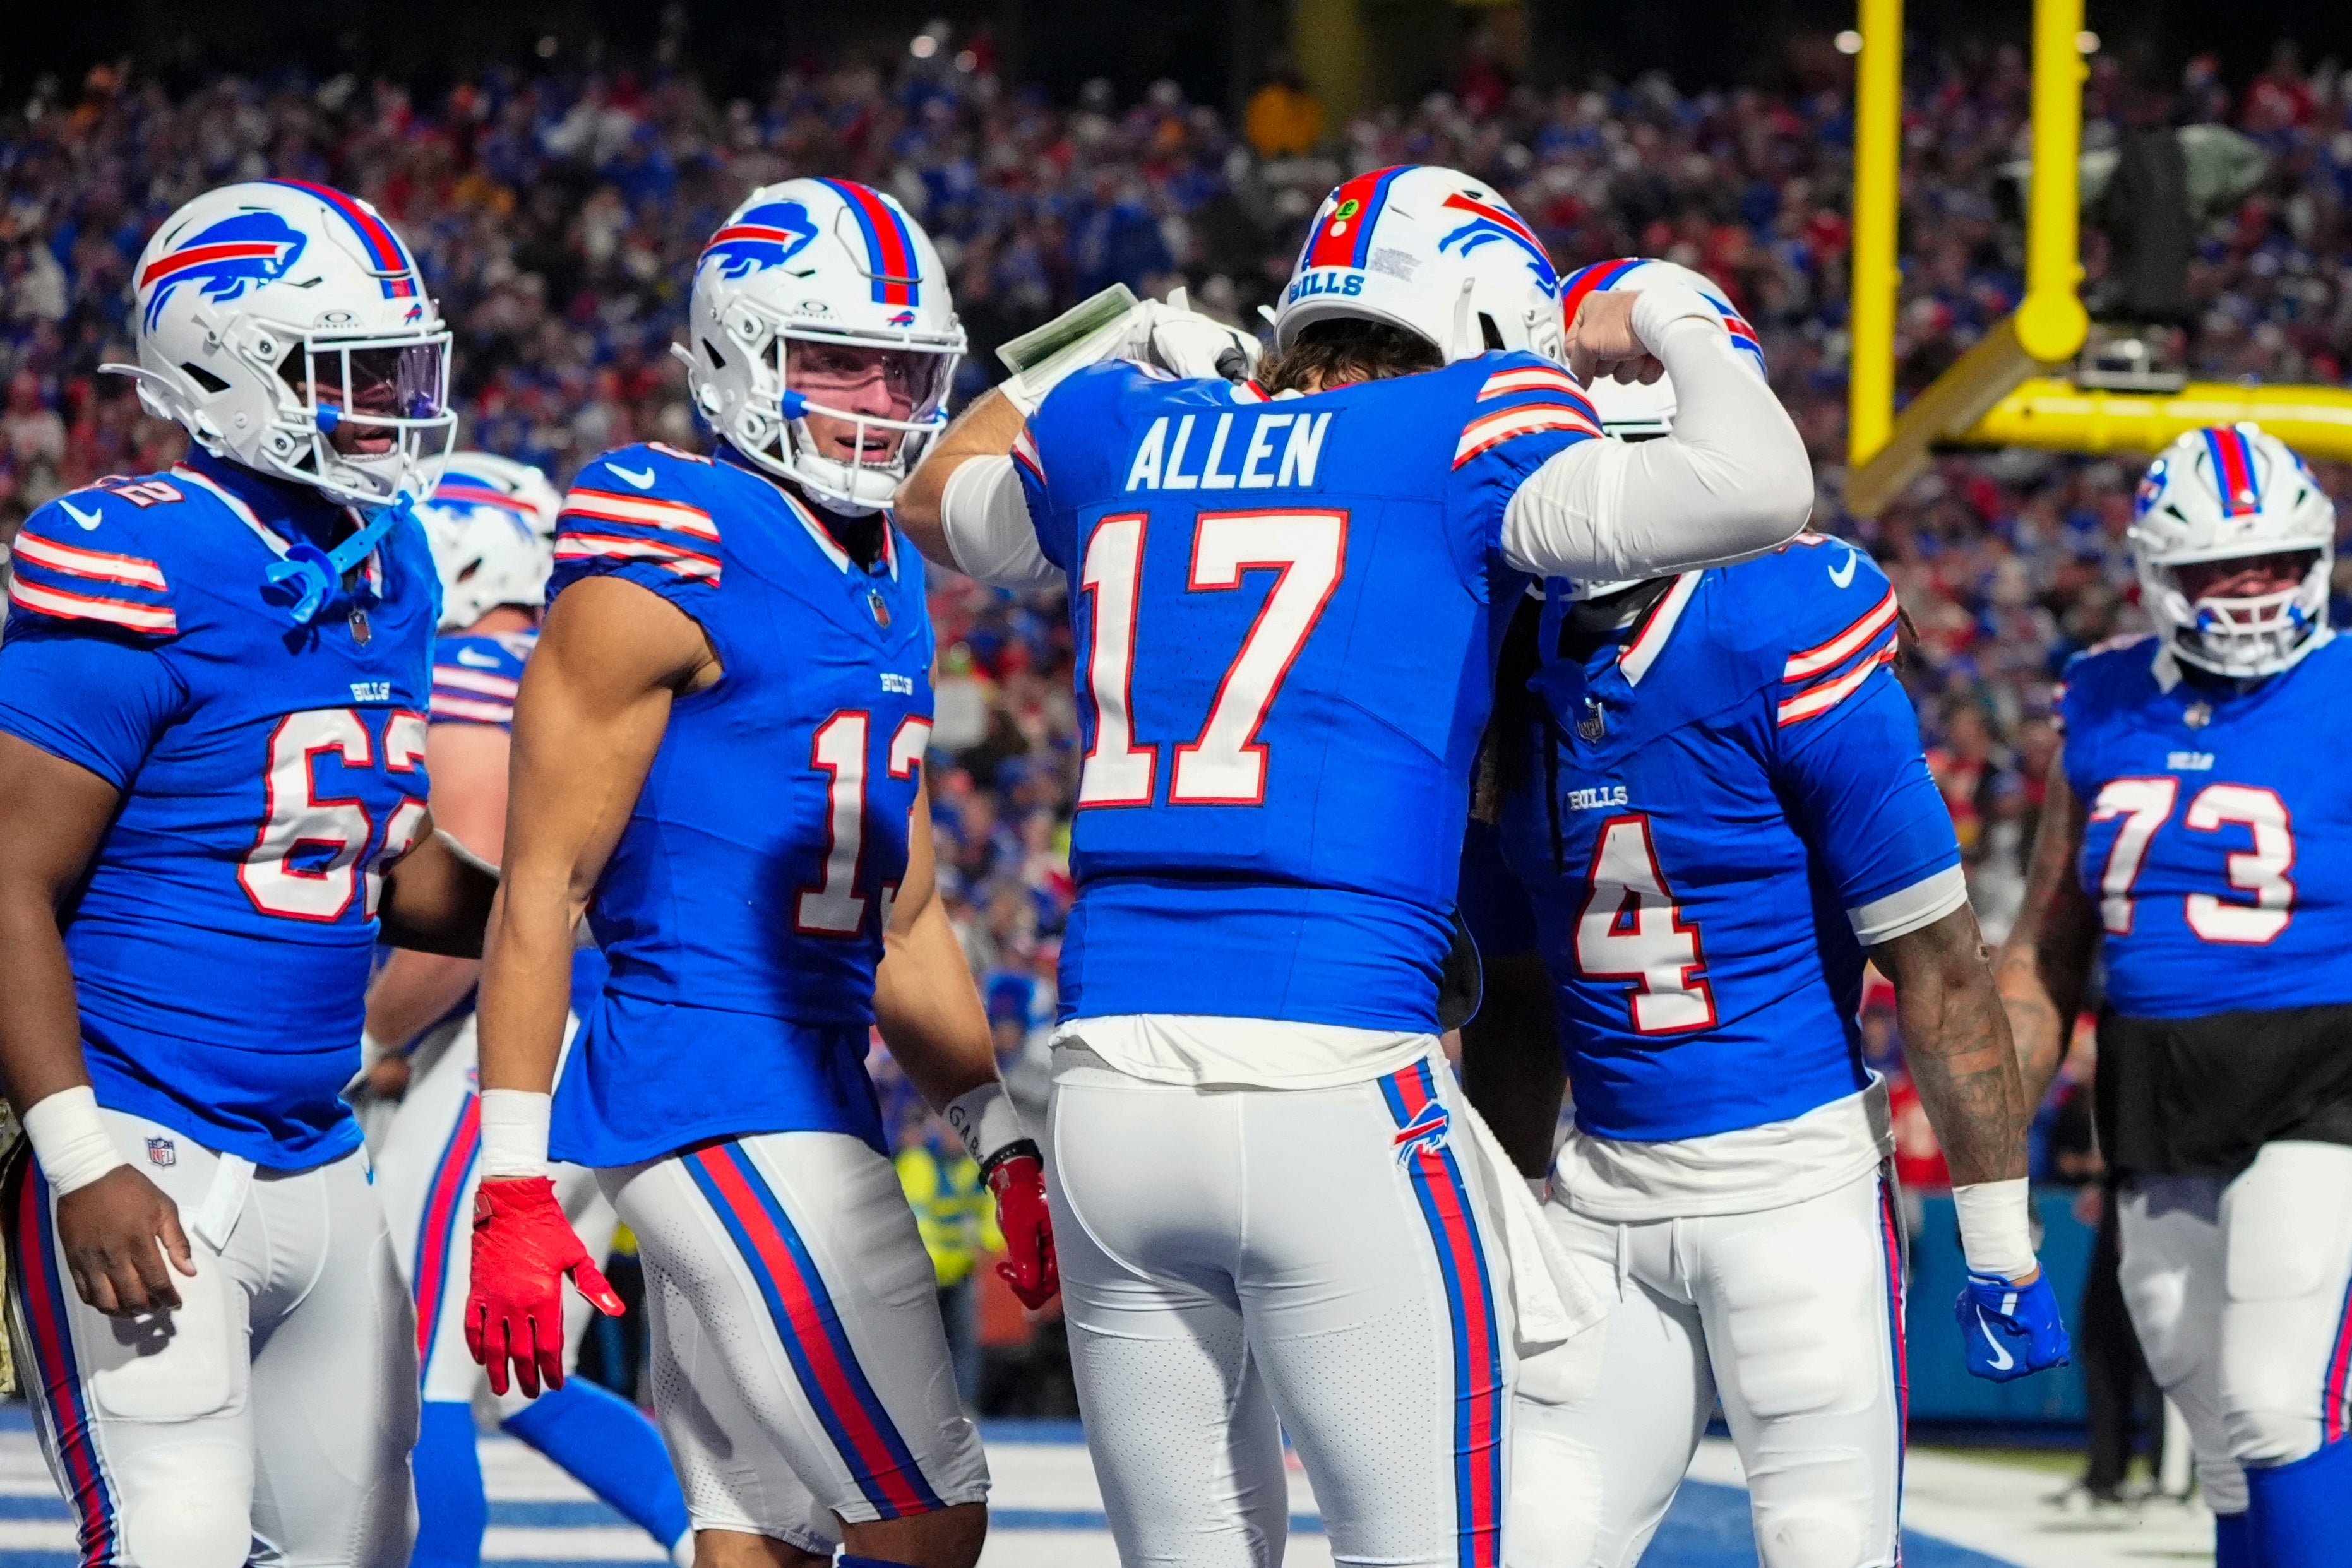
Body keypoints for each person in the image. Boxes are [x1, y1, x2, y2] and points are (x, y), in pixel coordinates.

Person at [892, 169, 1815, 1568]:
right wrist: (1682, 311)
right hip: (1336, 1075)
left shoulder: (1123, 433)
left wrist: (1129, 341)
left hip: (1108, 1090)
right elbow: (1763, 483)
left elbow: (932, 485)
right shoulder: (1468, 428)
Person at [465, 179, 1053, 1568]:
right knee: (928, 1514)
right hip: (711, 1087)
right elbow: (538, 885)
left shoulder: (883, 564)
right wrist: (511, 1180)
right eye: (839, 359)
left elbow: (896, 902)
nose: (875, 397)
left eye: (903, 367)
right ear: (740, 352)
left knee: (758, 1537)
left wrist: (993, 1123)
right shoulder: (671, 544)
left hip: (801, 1090)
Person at [1455, 257, 2069, 1568]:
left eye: (1637, 367)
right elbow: (1515, 997)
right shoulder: (1510, 645)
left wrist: (2001, 1238)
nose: (1612, 393)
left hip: (1792, 1188)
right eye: (1590, 369)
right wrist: (1504, 1222)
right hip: (1601, 1197)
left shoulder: (1782, 619)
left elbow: (1940, 964)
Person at [0, 179, 494, 1568]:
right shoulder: (139, 552)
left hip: (318, 1151)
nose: (392, 404)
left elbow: (365, 853)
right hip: (142, 1137)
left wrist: (564, 900)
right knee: (177, 1545)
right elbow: (5, 881)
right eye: (351, 373)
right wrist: (78, 1158)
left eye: (402, 368)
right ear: (227, 365)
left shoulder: (389, 562)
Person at [1996, 422, 2352, 1568]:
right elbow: (2047, 944)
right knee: (2214, 1424)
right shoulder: (2099, 699)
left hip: (2327, 1070)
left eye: (2271, 566)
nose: (2248, 595)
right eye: (2215, 570)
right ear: (2157, 574)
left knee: (2276, 1399)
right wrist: (1986, 1140)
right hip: (2155, 1082)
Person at [363, 453, 693, 1568]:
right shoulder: (594, 662)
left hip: (536, 1028)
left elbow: (490, 897)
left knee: (415, 1366)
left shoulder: (472, 672)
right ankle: (713, 1545)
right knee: (530, 1371)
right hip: (625, 1023)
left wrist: (366, 1039)